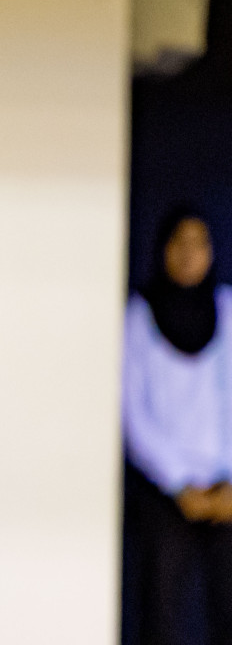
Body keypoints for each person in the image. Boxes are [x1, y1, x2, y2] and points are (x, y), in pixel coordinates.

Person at [123, 206, 232, 645]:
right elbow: (133, 413)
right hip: (165, 492)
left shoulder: (226, 310)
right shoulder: (140, 315)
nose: (189, 255)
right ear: (164, 249)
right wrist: (180, 484)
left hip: (225, 490)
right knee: (163, 617)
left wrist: (225, 485)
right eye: (179, 244)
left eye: (199, 244)